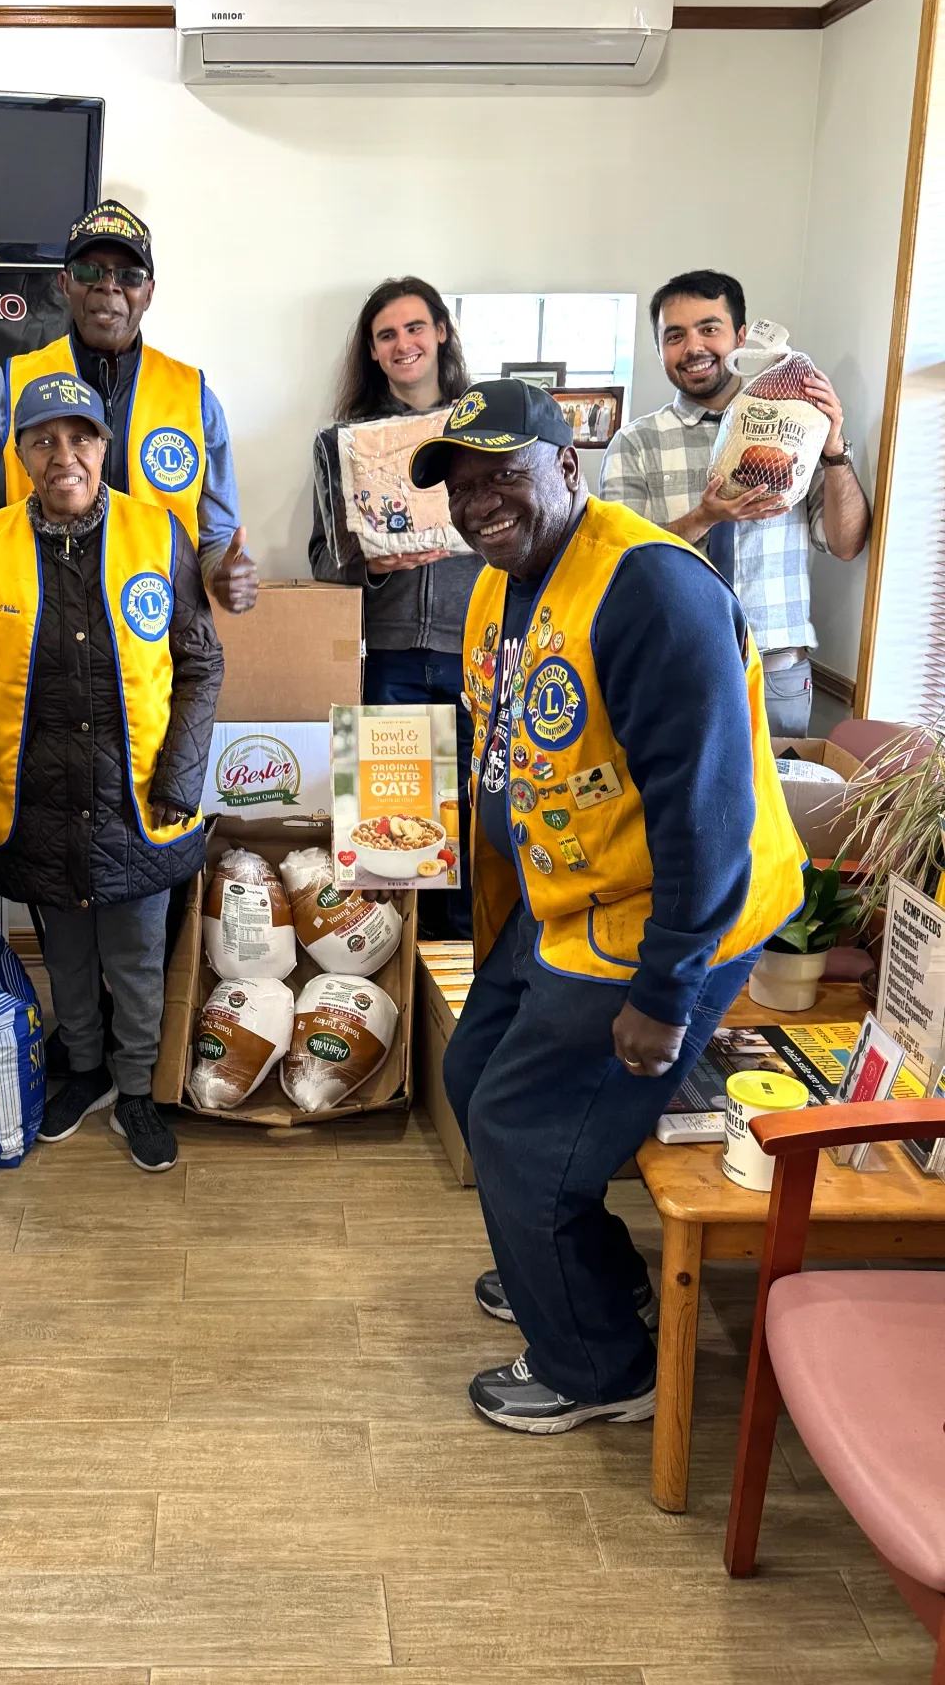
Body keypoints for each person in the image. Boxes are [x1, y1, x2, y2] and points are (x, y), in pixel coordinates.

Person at [408, 378, 803, 1433]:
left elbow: (706, 814)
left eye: (504, 475)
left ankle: (598, 1366)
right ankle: (581, 1270)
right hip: (568, 897)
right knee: (467, 1070)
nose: (480, 500)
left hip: (665, 917)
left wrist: (665, 992)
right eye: (460, 484)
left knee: (521, 1131)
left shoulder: (650, 592)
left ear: (567, 466)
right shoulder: (500, 577)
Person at [0, 371, 223, 1173]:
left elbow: (201, 662)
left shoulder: (158, 533)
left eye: (81, 437)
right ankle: (88, 1070)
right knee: (64, 951)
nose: (63, 454)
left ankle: (135, 1086)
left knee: (136, 956)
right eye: (43, 439)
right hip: (38, 795)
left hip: (138, 796)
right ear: (22, 452)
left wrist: (181, 773)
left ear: (105, 446)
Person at [599, 269, 871, 735]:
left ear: (741, 338)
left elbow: (846, 544)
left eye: (709, 329)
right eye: (675, 336)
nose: (693, 348)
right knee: (675, 808)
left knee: (778, 808)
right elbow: (616, 562)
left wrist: (833, 448)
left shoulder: (797, 430)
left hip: (776, 673)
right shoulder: (634, 442)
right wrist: (704, 517)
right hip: (672, 665)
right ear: (660, 349)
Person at [0, 199, 257, 620]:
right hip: (36, 635)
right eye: (89, 272)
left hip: (157, 645)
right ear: (64, 284)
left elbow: (215, 539)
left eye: (129, 275)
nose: (109, 286)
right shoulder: (9, 387)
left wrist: (225, 573)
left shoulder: (195, 396)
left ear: (149, 293)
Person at [309, 277, 476, 936]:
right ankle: (402, 998)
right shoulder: (342, 444)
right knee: (395, 855)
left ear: (440, 332)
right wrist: (371, 564)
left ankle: (459, 999)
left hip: (480, 660)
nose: (403, 343)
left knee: (479, 842)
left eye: (414, 327)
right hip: (387, 665)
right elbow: (322, 558)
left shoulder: (485, 427)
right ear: (372, 353)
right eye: (387, 335)